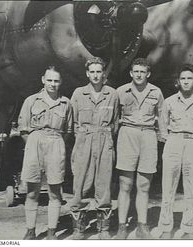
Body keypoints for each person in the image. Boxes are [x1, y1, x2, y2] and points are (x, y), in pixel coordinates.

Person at [18, 66, 73, 240]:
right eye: (49, 80)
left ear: (61, 82)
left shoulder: (66, 103)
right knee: (32, 191)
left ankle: (51, 231)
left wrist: (55, 144)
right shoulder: (31, 101)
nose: (53, 84)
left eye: (56, 81)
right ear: (43, 80)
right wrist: (36, 143)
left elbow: (69, 131)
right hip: (34, 144)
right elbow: (23, 129)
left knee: (55, 191)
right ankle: (30, 230)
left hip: (56, 144)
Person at [157, 64, 193, 239]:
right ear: (178, 82)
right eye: (183, 79)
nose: (186, 82)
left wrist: (192, 140)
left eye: (189, 79)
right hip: (173, 141)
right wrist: (171, 139)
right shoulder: (169, 101)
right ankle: (166, 227)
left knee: (191, 187)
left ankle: (188, 228)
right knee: (168, 186)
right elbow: (162, 126)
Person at [70, 57, 119, 239]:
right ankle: (79, 228)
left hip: (105, 140)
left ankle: (103, 228)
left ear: (104, 73)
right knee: (81, 183)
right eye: (93, 72)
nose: (96, 75)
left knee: (104, 184)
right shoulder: (78, 93)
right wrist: (84, 137)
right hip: (84, 140)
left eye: (99, 71)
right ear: (87, 73)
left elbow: (115, 123)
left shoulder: (112, 94)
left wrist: (104, 136)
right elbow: (73, 122)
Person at [116, 58, 165, 239]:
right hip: (127, 134)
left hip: (148, 136)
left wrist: (164, 139)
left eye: (142, 72)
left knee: (144, 184)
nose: (139, 75)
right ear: (131, 73)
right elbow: (114, 117)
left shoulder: (156, 92)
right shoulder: (121, 92)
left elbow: (162, 117)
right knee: (125, 184)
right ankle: (122, 226)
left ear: (148, 74)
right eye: (136, 71)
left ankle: (142, 225)